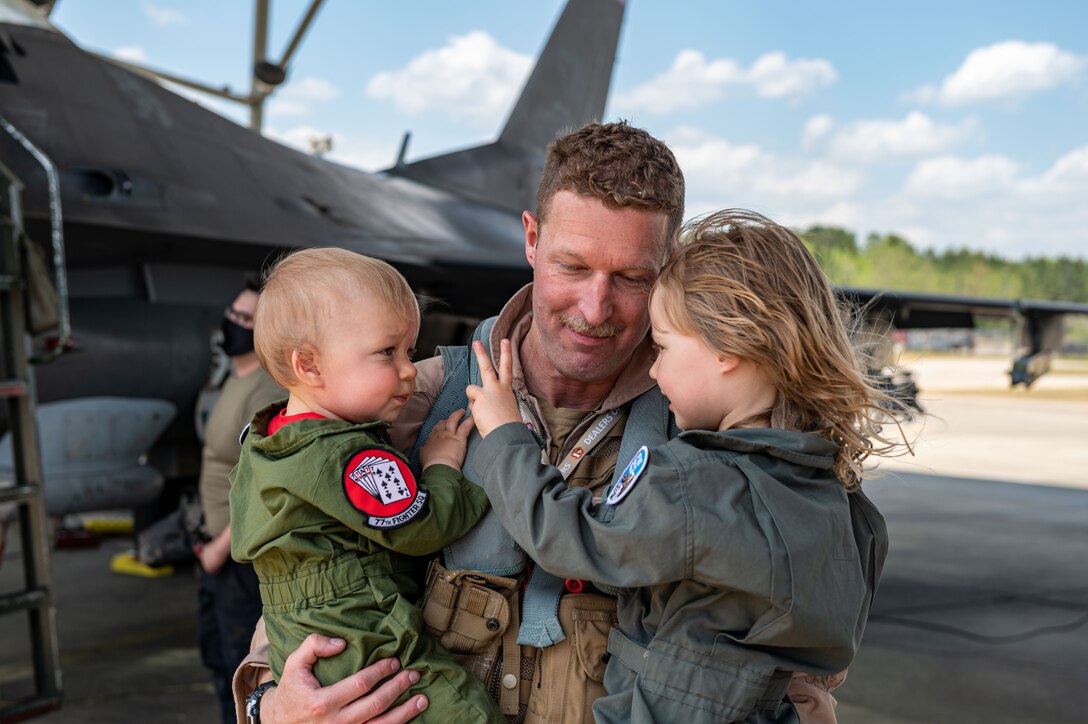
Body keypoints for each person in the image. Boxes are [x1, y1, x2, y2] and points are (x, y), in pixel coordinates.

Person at [238, 122, 850, 724]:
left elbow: (790, 673)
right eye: (573, 267)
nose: (595, 309)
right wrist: (272, 707)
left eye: (633, 278)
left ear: (669, 267)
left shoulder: (726, 443)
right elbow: (308, 586)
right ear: (531, 240)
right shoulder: (413, 402)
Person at [464, 209, 898, 722]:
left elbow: (572, 540)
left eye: (664, 346)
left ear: (725, 349)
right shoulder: (842, 502)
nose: (653, 368)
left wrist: (505, 435)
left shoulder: (692, 482)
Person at [228, 248, 503, 722]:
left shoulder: (267, 441)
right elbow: (425, 526)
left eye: (410, 352)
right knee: (463, 711)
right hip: (359, 634)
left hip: (305, 637)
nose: (409, 370)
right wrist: (443, 466)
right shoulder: (348, 454)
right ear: (309, 366)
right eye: (386, 353)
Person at [196, 279, 286, 724]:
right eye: (233, 314)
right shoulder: (235, 377)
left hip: (237, 558)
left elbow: (267, 487)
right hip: (218, 551)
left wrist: (219, 547)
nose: (233, 324)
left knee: (242, 671)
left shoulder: (266, 393)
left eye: (245, 320)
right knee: (217, 660)